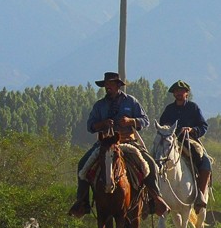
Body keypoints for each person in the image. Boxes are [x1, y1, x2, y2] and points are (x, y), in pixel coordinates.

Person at [68, 72, 169, 218]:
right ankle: (82, 202)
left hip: (129, 141)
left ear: (117, 85)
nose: (107, 87)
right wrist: (102, 123)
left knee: (151, 164)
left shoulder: (131, 102)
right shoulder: (99, 105)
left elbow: (145, 120)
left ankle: (155, 200)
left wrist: (131, 121)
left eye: (110, 84)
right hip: (105, 143)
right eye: (106, 85)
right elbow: (90, 126)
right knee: (82, 164)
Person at [159, 80, 212, 213]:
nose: (178, 93)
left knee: (205, 161)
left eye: (181, 91)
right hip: (171, 140)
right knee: (156, 158)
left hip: (189, 140)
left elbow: (203, 126)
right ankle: (153, 196)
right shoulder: (169, 109)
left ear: (187, 93)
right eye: (176, 91)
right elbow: (162, 125)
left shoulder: (193, 107)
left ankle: (200, 194)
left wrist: (192, 129)